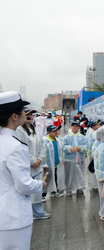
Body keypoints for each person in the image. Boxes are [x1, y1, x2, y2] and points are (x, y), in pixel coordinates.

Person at [0, 91, 47, 250]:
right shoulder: (15, 147)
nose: (25, 113)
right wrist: (40, 184)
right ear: (14, 116)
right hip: (14, 216)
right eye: (22, 110)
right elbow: (23, 185)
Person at [17, 108, 50, 220]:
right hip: (28, 165)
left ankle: (38, 212)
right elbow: (22, 148)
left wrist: (39, 159)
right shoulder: (19, 131)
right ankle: (30, 213)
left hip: (37, 165)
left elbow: (42, 146)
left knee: (37, 190)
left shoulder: (34, 129)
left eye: (31, 115)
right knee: (28, 190)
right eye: (27, 115)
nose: (30, 116)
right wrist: (32, 161)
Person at [62, 121, 89, 197]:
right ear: (71, 127)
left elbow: (87, 146)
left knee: (79, 173)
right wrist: (70, 149)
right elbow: (63, 147)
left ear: (79, 128)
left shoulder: (82, 137)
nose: (74, 128)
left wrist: (81, 148)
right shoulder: (66, 137)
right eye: (73, 126)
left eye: (76, 126)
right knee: (69, 175)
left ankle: (79, 188)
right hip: (69, 159)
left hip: (80, 159)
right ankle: (68, 189)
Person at [43, 125, 65, 197]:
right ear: (48, 132)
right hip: (48, 164)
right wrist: (44, 164)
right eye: (53, 131)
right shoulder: (46, 141)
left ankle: (53, 191)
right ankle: (43, 194)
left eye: (56, 131)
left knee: (54, 177)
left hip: (55, 163)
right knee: (46, 179)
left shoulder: (57, 140)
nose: (55, 132)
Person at [86, 119, 102, 191]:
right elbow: (92, 145)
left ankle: (94, 185)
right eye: (97, 125)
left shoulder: (94, 132)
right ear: (93, 126)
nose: (99, 126)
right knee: (94, 169)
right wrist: (94, 154)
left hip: (93, 153)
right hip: (93, 154)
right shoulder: (92, 134)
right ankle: (94, 185)